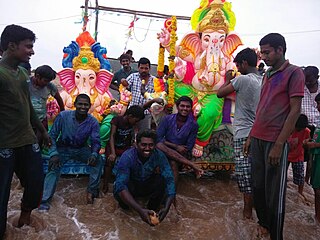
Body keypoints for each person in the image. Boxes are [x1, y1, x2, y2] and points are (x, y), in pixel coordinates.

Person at [244, 33, 305, 239]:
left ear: (280, 50)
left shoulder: (294, 73)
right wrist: (252, 135)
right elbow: (261, 107)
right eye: (262, 52)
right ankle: (264, 225)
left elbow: (294, 111)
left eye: (267, 52)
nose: (263, 56)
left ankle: (276, 235)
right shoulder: (267, 75)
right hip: (258, 138)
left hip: (275, 140)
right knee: (258, 186)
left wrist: (280, 144)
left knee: (275, 194)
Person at [0, 24, 50, 239]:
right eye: (28, 46)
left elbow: (27, 106)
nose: (31, 51)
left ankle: (25, 217)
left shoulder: (21, 74)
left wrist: (42, 131)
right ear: (12, 46)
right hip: (4, 144)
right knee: (2, 193)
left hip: (27, 138)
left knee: (36, 182)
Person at [217, 47, 262, 219]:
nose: (237, 68)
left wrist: (228, 79)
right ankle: (257, 213)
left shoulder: (242, 80)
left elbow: (220, 93)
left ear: (244, 63)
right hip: (259, 134)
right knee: (256, 174)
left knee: (244, 175)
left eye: (238, 65)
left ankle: (247, 214)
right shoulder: (263, 80)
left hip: (243, 133)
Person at [39, 94, 103, 210]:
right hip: (63, 148)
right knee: (53, 166)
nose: (83, 107)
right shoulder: (63, 116)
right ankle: (44, 201)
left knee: (98, 160)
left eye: (86, 105)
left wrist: (94, 154)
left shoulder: (92, 122)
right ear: (75, 105)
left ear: (89, 106)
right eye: (80, 104)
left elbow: (96, 141)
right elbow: (52, 136)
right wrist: (53, 153)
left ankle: (91, 191)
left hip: (81, 149)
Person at [113, 130, 175, 226]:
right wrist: (139, 210)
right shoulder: (127, 156)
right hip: (132, 185)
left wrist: (167, 207)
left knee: (161, 180)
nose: (147, 148)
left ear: (155, 145)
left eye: (151, 145)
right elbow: (121, 186)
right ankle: (130, 209)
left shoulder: (159, 155)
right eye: (143, 145)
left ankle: (153, 209)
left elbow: (169, 179)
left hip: (146, 183)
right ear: (136, 144)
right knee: (119, 191)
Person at [156, 96, 203, 184]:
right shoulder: (167, 119)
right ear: (177, 107)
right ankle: (191, 165)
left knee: (173, 162)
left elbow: (188, 147)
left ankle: (172, 192)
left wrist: (177, 150)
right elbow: (158, 138)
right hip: (163, 149)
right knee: (159, 145)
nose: (185, 109)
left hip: (180, 155)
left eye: (188, 107)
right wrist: (175, 146)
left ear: (190, 108)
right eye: (182, 106)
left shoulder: (193, 125)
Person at [102, 105, 145, 193]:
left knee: (133, 161)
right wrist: (113, 153)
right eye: (136, 121)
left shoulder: (132, 124)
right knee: (110, 162)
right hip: (113, 146)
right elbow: (112, 136)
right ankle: (105, 184)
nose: (136, 123)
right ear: (130, 116)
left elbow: (134, 137)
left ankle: (127, 185)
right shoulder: (117, 120)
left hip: (125, 147)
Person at [28, 65, 65, 146]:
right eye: (45, 80)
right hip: (26, 120)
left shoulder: (50, 86)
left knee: (38, 143)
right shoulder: (26, 84)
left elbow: (59, 99)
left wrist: (62, 112)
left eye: (49, 81)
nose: (47, 83)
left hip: (41, 119)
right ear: (37, 76)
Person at [122, 57, 155, 131]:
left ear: (149, 68)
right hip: (132, 114)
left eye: (146, 68)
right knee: (130, 133)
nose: (144, 70)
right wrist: (123, 81)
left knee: (144, 134)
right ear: (138, 67)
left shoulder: (154, 80)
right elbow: (125, 86)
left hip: (146, 113)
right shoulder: (133, 76)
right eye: (142, 68)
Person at [287, 114, 310, 202]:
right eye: (298, 129)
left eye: (301, 129)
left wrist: (306, 142)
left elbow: (308, 138)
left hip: (298, 156)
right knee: (281, 174)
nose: (299, 130)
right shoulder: (289, 129)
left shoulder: (306, 131)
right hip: (287, 155)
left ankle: (300, 192)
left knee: (300, 176)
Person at [306, 92, 320, 225]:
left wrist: (315, 144)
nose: (317, 107)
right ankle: (317, 218)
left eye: (319, 104)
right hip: (316, 159)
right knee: (316, 189)